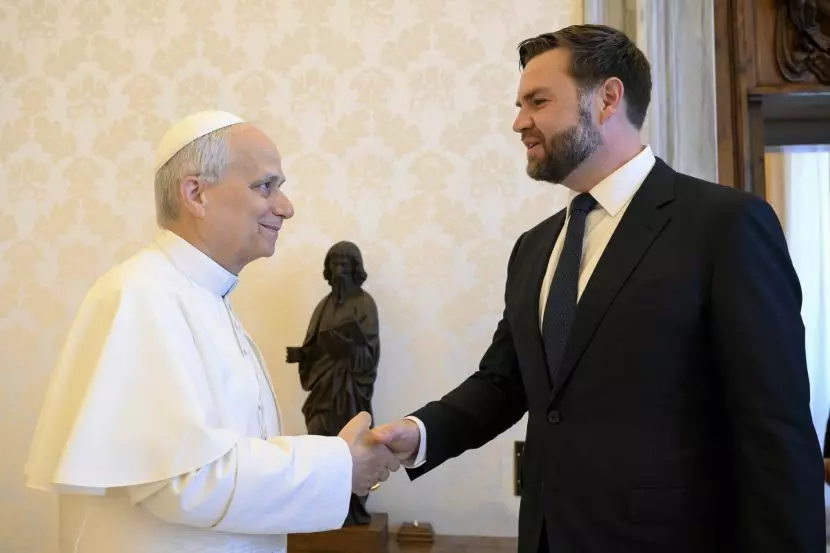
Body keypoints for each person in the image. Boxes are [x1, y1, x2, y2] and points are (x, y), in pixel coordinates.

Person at [372, 25, 826, 553]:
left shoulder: (725, 225)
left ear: (608, 98)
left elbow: (775, 431)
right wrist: (418, 432)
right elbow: (504, 382)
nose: (519, 123)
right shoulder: (533, 248)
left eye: (538, 101)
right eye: (520, 105)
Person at [24, 111, 399, 553]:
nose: (286, 207)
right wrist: (339, 465)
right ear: (196, 194)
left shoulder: (201, 295)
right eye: (265, 186)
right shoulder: (143, 295)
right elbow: (185, 479)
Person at [286, 240, 381, 526]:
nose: (339, 270)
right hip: (323, 391)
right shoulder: (323, 306)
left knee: (353, 448)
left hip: (350, 391)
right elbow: (314, 347)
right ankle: (323, 509)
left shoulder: (364, 303)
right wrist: (302, 354)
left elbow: (370, 352)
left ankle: (351, 509)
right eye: (334, 264)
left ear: (355, 269)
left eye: (344, 265)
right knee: (319, 441)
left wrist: (348, 347)